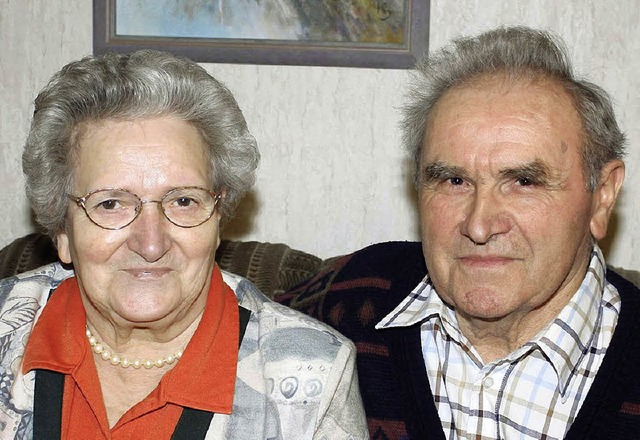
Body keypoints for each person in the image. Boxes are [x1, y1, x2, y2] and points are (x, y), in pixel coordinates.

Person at [281, 26, 640, 439]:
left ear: (603, 196)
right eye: (453, 181)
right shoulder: (349, 300)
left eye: (523, 181)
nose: (479, 225)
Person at [0, 50, 367, 439]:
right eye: (110, 204)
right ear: (62, 231)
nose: (151, 243)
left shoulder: (312, 375)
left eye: (183, 201)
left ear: (218, 217)